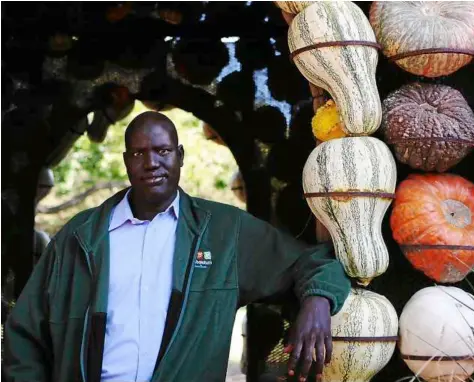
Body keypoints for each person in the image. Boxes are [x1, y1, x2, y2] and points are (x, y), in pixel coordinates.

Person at [4, 111, 351, 382]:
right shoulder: (80, 237)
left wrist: (318, 300)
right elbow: (24, 332)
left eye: (162, 150)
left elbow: (312, 261)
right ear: (126, 162)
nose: (151, 162)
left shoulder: (223, 231)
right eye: (139, 153)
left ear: (180, 156)